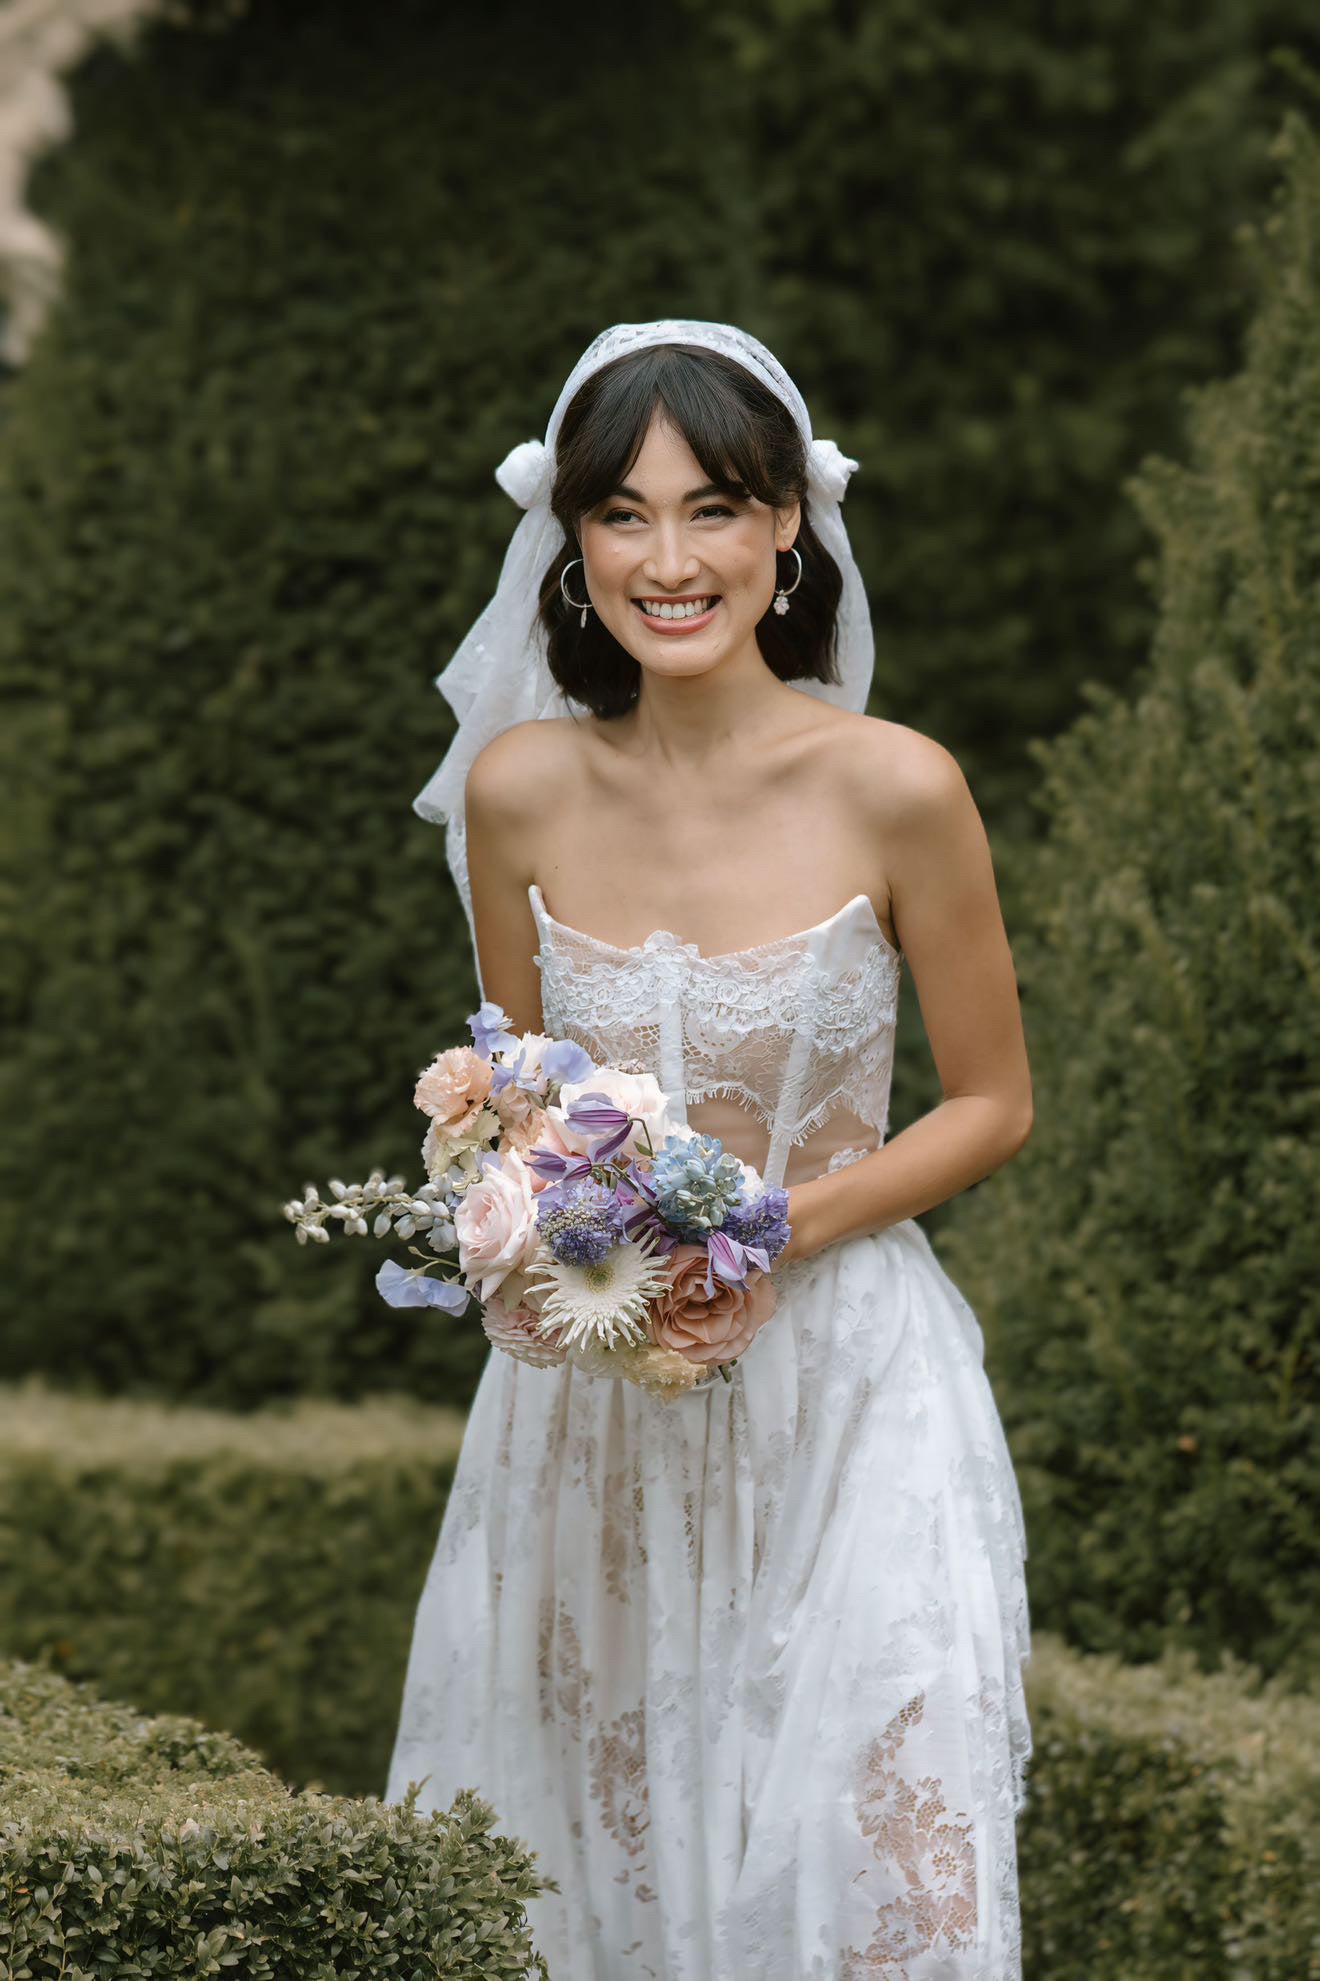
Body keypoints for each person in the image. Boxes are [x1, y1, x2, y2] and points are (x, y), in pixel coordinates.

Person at [386, 320, 1034, 1980]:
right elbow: (516, 1095)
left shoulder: (898, 786)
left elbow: (990, 1100)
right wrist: (542, 1226)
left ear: (788, 528)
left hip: (847, 1393)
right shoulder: (518, 793)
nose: (669, 561)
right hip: (595, 1409)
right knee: (598, 1868)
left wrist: (759, 1232)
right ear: (570, 540)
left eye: (716, 509)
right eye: (625, 513)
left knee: (880, 1864)